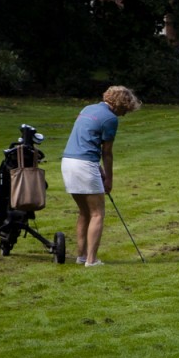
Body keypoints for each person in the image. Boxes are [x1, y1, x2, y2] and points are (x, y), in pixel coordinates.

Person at [62, 85, 140, 266]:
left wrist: (98, 168)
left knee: (84, 212)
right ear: (120, 104)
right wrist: (109, 179)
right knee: (97, 213)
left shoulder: (87, 109)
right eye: (125, 110)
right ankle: (92, 260)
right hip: (85, 165)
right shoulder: (110, 119)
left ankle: (81, 256)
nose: (124, 114)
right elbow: (107, 153)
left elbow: (85, 141)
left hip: (68, 162)